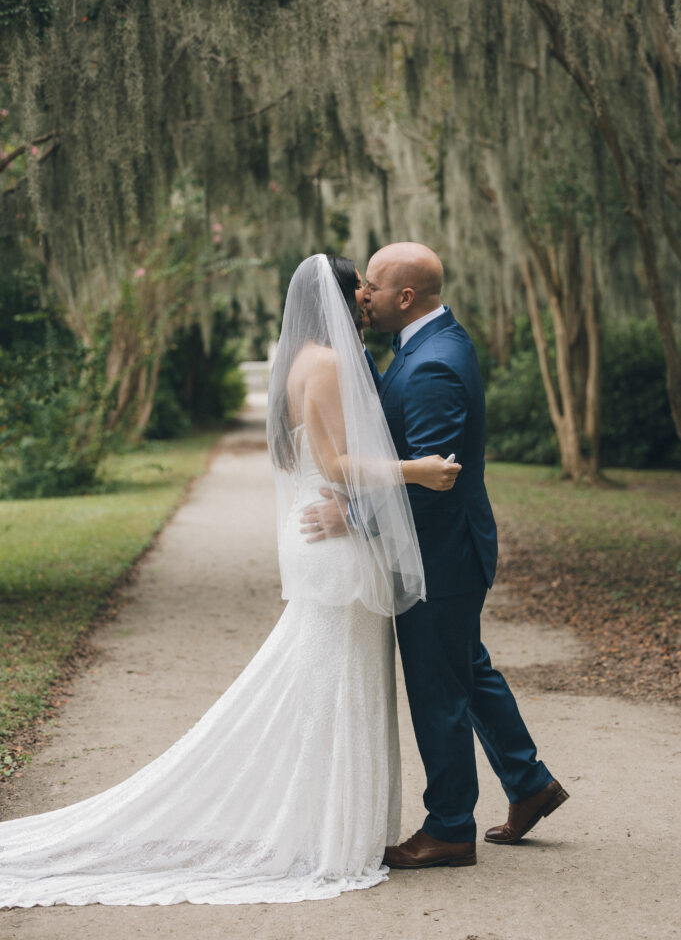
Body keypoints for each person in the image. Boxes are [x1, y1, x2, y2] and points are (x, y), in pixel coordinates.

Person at [0, 253, 457, 908]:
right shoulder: (326, 364)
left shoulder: (303, 358)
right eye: (356, 287)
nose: (364, 297)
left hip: (325, 540)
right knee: (337, 690)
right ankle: (332, 840)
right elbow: (336, 463)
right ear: (333, 298)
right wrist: (421, 470)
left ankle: (331, 831)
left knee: (329, 687)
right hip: (333, 549)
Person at [302, 242, 568, 870]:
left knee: (436, 688)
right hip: (443, 548)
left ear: (405, 298)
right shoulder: (427, 344)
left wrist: (353, 515)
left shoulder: (430, 366)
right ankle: (530, 785)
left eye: (370, 284)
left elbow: (434, 481)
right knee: (464, 667)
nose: (360, 294)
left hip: (439, 553)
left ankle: (449, 828)